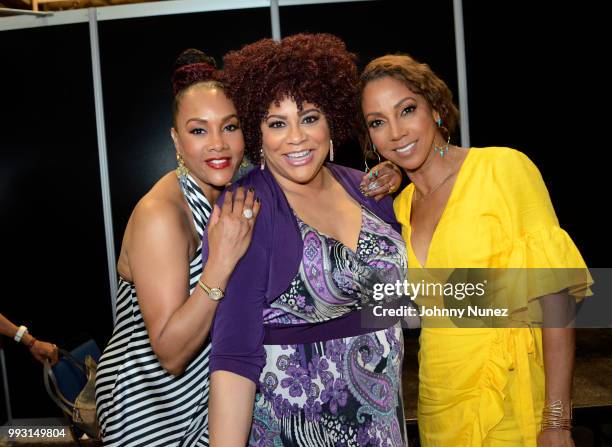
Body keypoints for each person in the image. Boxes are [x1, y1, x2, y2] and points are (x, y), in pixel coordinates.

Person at [359, 54, 591, 446]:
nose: (396, 132)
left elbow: (558, 301)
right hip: (439, 401)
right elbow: (408, 309)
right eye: (378, 122)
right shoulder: (399, 207)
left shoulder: (503, 168)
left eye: (407, 110)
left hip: (510, 396)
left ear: (435, 109)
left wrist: (556, 421)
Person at [202, 33, 411, 447]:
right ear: (257, 132)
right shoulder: (248, 208)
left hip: (384, 430)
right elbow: (234, 358)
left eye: (310, 117)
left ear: (331, 119)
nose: (297, 137)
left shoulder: (365, 188)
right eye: (277, 123)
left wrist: (539, 302)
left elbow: (411, 296)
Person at [94, 49, 261, 447]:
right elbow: (169, 351)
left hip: (206, 399)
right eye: (198, 130)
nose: (218, 145)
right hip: (147, 408)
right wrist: (219, 264)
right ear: (176, 139)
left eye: (230, 127)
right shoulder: (162, 215)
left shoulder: (235, 190)